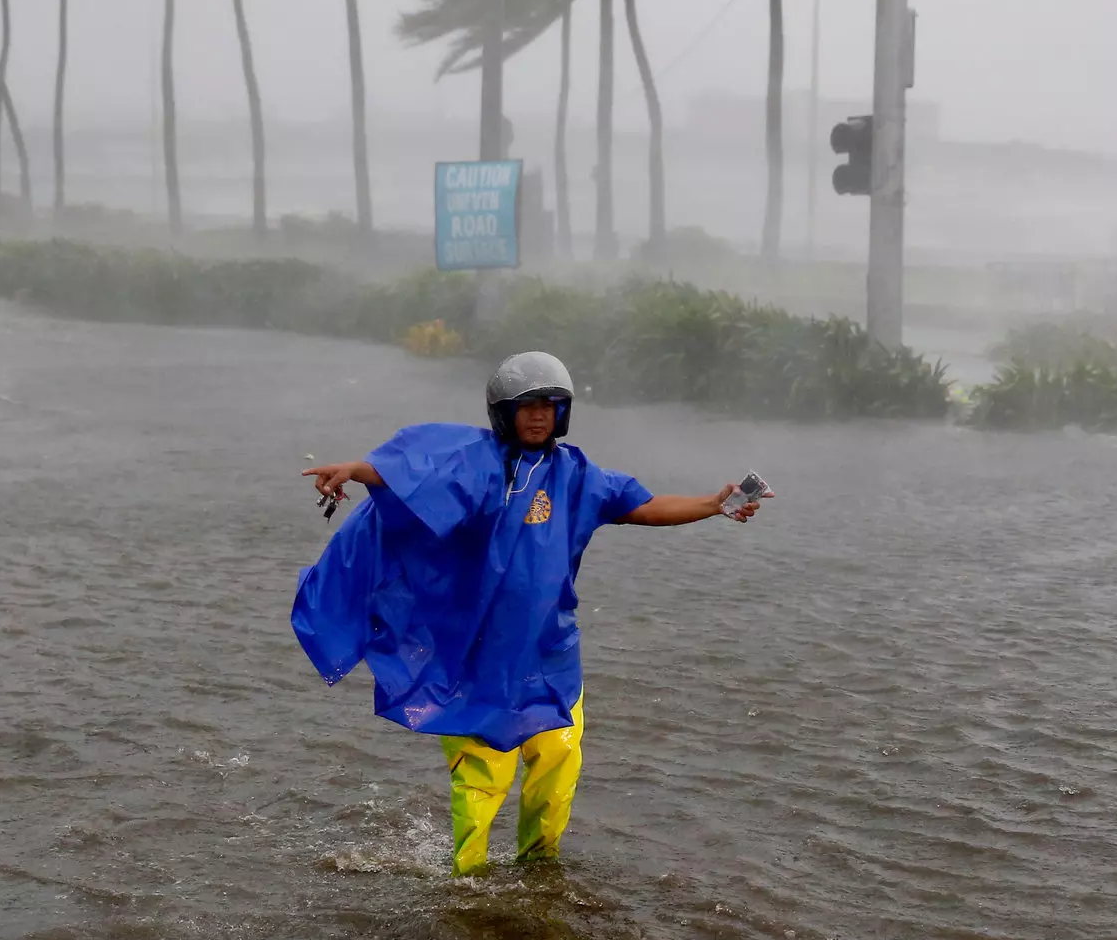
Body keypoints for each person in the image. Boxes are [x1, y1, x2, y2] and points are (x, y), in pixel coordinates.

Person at [292, 351, 766, 876]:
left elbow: (644, 506)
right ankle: (466, 883)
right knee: (482, 779)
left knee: (557, 766)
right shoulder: (475, 463)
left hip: (551, 652)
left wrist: (712, 504)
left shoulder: (578, 476)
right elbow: (414, 476)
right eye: (527, 406)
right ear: (504, 412)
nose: (539, 415)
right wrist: (356, 470)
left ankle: (539, 871)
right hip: (479, 659)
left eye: (549, 405)